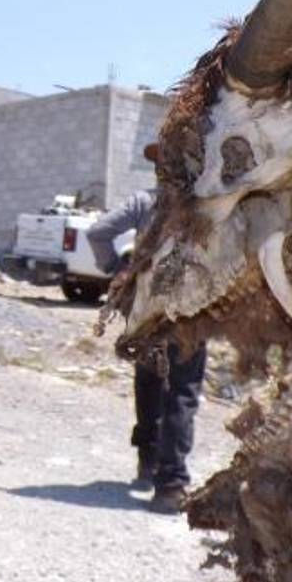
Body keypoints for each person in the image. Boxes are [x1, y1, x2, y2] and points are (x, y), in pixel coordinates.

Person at [86, 188, 207, 513]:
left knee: (149, 381)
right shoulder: (209, 203)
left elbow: (98, 231)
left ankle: (147, 464)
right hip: (189, 312)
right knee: (181, 392)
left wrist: (114, 266)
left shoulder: (143, 201)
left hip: (144, 310)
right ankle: (170, 486)